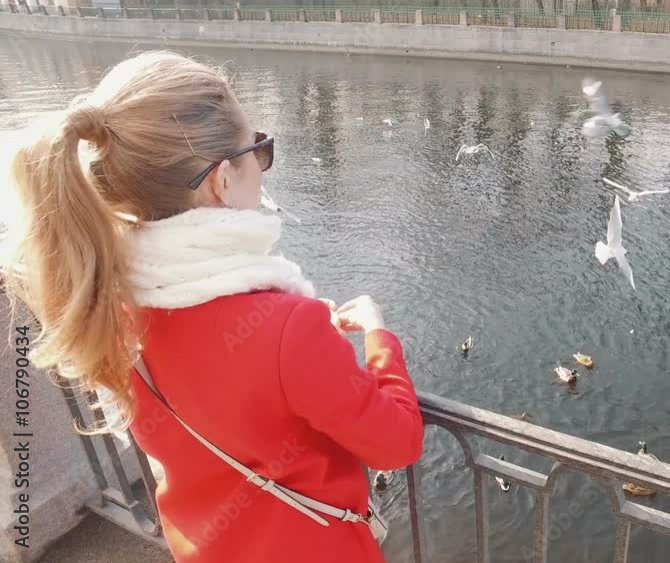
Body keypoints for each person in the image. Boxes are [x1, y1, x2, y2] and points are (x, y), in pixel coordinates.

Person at [1, 51, 423, 562]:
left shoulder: (107, 306)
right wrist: (378, 339)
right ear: (223, 179)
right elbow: (397, 444)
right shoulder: (290, 327)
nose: (262, 169)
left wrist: (291, 343)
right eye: (258, 151)